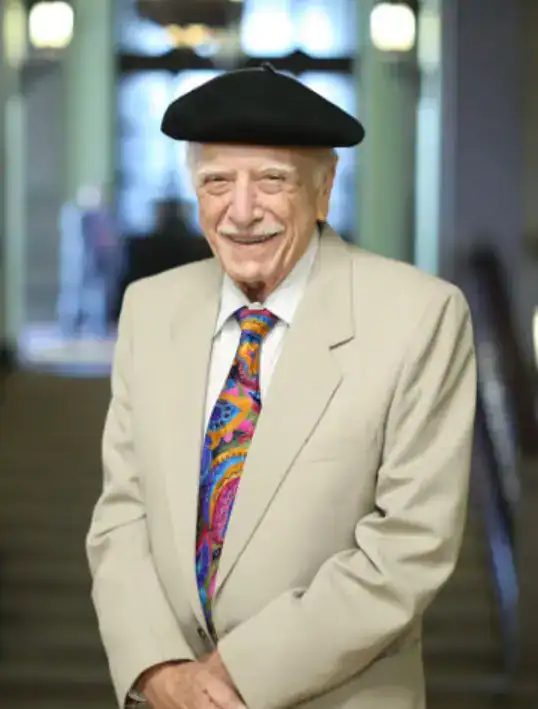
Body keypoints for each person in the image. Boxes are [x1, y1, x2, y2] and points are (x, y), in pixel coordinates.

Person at [86, 63, 477, 709]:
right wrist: (158, 670)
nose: (241, 212)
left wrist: (232, 676)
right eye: (217, 182)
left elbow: (410, 543)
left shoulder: (420, 315)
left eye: (272, 180)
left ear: (324, 190)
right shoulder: (148, 308)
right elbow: (122, 513)